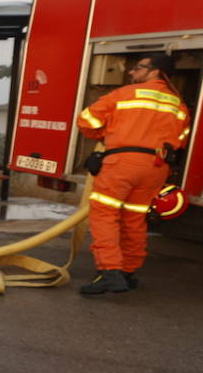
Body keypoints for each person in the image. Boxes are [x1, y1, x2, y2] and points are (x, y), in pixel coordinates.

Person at [76, 53, 190, 295]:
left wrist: (107, 137)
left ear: (155, 71)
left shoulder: (125, 94)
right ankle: (128, 273)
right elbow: (180, 141)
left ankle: (109, 272)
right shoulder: (178, 105)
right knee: (135, 220)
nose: (131, 72)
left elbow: (86, 121)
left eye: (138, 67)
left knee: (104, 216)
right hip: (156, 167)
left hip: (123, 164)